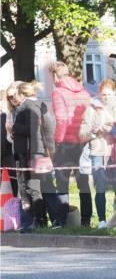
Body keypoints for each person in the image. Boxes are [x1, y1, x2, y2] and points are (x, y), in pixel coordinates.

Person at [79, 80, 116, 228]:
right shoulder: (92, 109)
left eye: (109, 94)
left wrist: (114, 131)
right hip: (98, 151)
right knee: (100, 186)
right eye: (103, 94)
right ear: (99, 94)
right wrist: (95, 132)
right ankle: (102, 220)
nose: (106, 97)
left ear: (114, 93)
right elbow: (82, 133)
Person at [9, 81, 59, 230]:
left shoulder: (26, 106)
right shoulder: (40, 104)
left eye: (16, 94)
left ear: (21, 94)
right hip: (41, 151)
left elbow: (30, 128)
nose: (14, 98)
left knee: (34, 187)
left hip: (31, 153)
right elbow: (48, 127)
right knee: (46, 186)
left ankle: (41, 220)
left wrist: (13, 127)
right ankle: (55, 219)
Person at [49, 62, 93, 226]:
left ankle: (61, 220)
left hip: (66, 142)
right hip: (82, 142)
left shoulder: (58, 92)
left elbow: (61, 120)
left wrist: (57, 141)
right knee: (83, 183)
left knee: (62, 183)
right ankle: (86, 220)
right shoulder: (84, 92)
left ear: (55, 75)